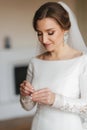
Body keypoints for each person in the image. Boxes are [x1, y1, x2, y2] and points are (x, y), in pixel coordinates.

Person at [19, 1, 87, 130]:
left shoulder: (82, 61)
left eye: (50, 32)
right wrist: (25, 94)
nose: (44, 40)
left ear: (65, 29)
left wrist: (55, 99)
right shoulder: (35, 62)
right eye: (39, 33)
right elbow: (27, 106)